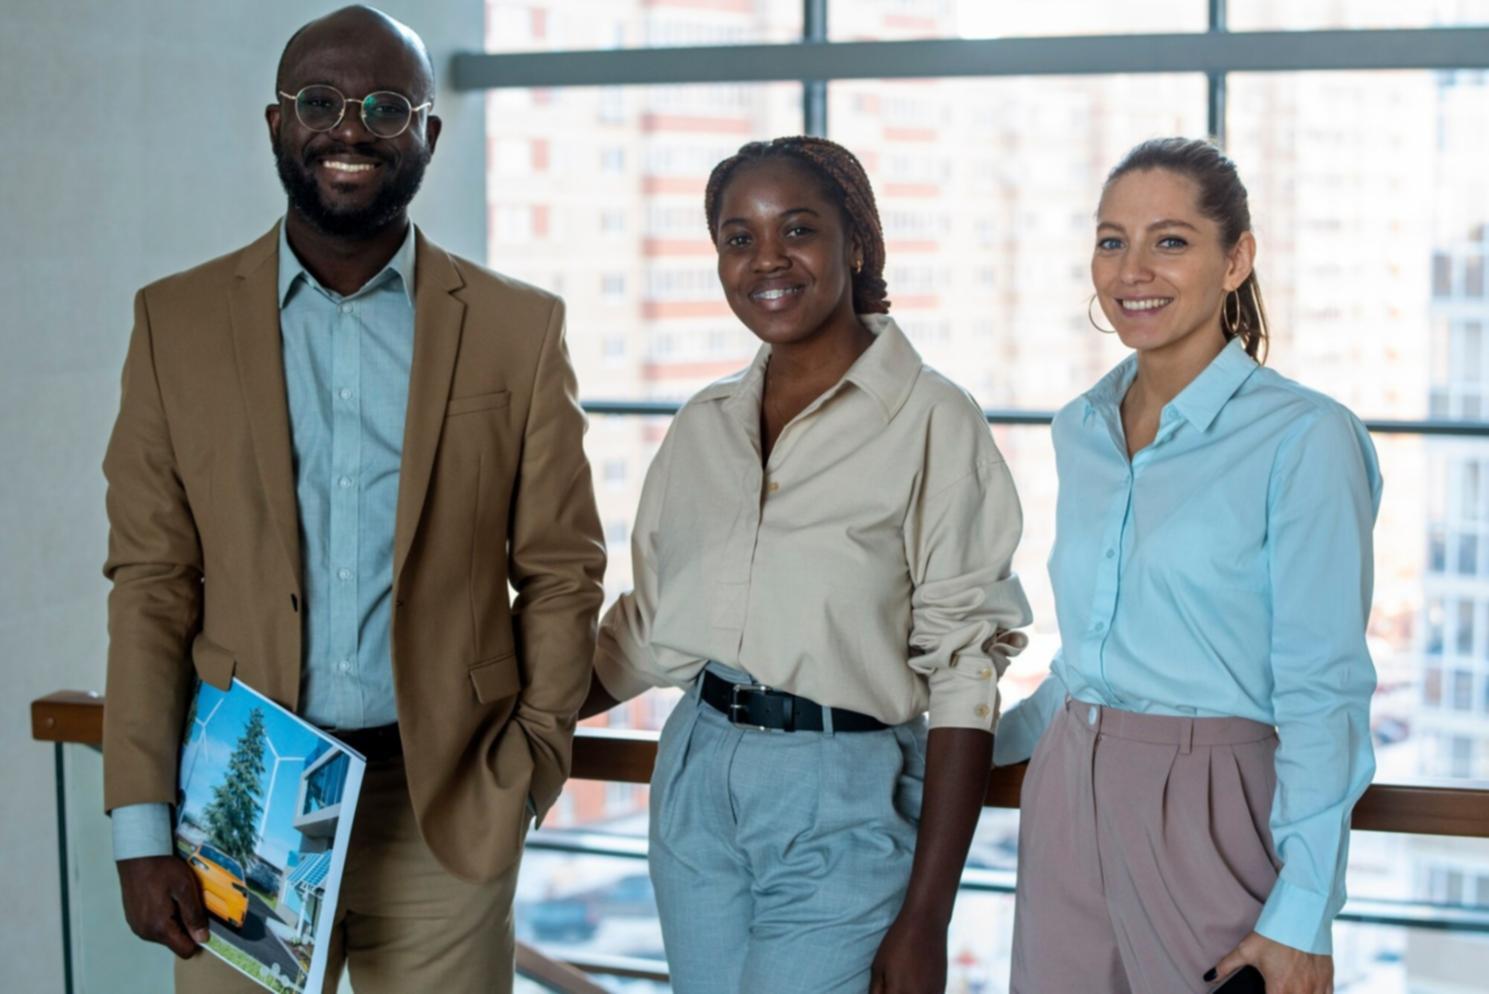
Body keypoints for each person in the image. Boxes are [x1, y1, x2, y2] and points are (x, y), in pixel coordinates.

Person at [101, 7, 605, 992]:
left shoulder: (517, 329)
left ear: (429, 133)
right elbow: (152, 582)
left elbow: (561, 567)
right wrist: (138, 826)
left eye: (386, 106)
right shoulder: (175, 322)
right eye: (320, 102)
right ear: (275, 124)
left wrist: (532, 759)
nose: (350, 129)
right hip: (240, 807)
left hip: (444, 812)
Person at [579, 135, 1032, 994]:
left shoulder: (932, 420)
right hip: (695, 775)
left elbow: (964, 671)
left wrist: (928, 918)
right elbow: (647, 629)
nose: (766, 260)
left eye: (797, 230)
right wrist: (487, 714)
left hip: (844, 794)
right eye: (737, 238)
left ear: (855, 242)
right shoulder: (703, 423)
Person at [993, 137, 1380, 994]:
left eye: (1169, 240)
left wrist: (1302, 911)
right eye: (1110, 240)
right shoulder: (1079, 428)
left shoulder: (1304, 438)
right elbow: (1091, 658)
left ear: (1235, 259)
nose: (1133, 269)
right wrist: (970, 746)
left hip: (1215, 806)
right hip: (1064, 797)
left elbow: (1324, 688)